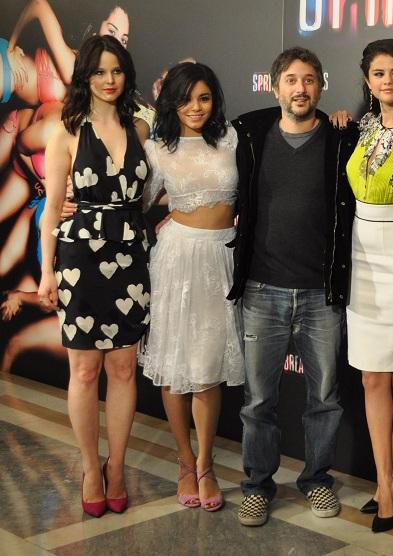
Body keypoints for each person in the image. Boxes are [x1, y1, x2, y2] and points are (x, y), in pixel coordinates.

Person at [228, 46, 358, 528]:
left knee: (324, 399)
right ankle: (257, 486)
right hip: (262, 290)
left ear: (320, 86)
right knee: (258, 401)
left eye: (308, 80)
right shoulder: (250, 134)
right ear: (275, 86)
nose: (300, 89)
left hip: (321, 294)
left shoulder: (341, 138)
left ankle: (317, 479)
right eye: (291, 80)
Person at [36, 35, 150, 518]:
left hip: (131, 256)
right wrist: (46, 272)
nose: (109, 80)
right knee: (84, 371)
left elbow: (151, 192)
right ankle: (89, 468)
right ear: (85, 75)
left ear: (126, 75)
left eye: (116, 70)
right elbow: (51, 210)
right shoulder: (65, 131)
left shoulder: (140, 126)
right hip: (81, 260)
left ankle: (116, 466)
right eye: (100, 71)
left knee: (123, 369)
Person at [138, 62, 243, 512]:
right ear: (171, 103)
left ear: (215, 100)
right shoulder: (157, 149)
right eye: (185, 99)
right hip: (178, 259)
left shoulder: (231, 139)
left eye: (204, 98)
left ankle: (206, 463)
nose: (196, 107)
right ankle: (185, 461)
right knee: (176, 364)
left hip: (222, 258)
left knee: (206, 368)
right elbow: (137, 199)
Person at [339, 38, 393, 533]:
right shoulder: (361, 127)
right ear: (367, 81)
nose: (387, 80)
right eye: (378, 73)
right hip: (361, 251)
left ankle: (390, 478)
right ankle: (386, 477)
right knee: (372, 376)